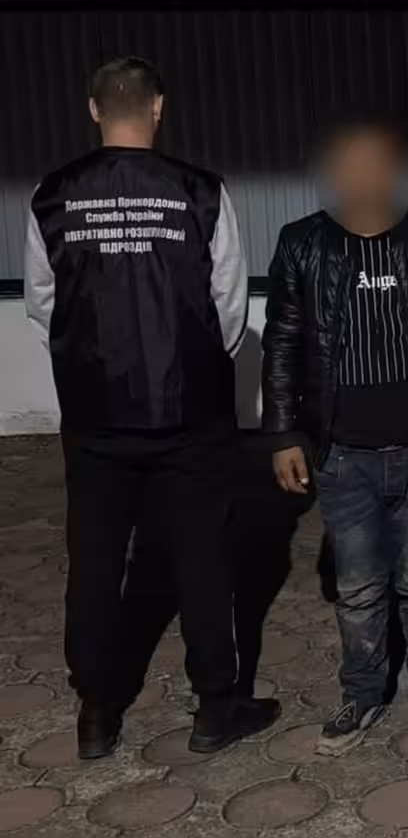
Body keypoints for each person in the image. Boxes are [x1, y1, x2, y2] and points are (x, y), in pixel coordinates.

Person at [24, 57, 277, 759]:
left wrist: (86, 365)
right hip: (188, 411)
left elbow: (44, 306)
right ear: (158, 107)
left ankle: (95, 714)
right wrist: (200, 367)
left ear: (93, 110)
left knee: (95, 563)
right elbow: (229, 306)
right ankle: (214, 708)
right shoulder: (201, 191)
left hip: (95, 416)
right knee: (201, 558)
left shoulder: (52, 195)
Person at [263, 115, 408, 756]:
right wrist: (282, 433)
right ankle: (362, 694)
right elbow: (282, 341)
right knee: (359, 588)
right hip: (342, 455)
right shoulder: (302, 243)